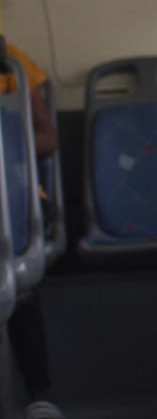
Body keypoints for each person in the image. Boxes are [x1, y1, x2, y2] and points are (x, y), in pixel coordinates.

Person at [0, 38, 64, 418]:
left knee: (17, 280)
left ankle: (38, 392)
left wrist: (8, 143)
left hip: (14, 197)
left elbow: (48, 137)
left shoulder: (10, 64)